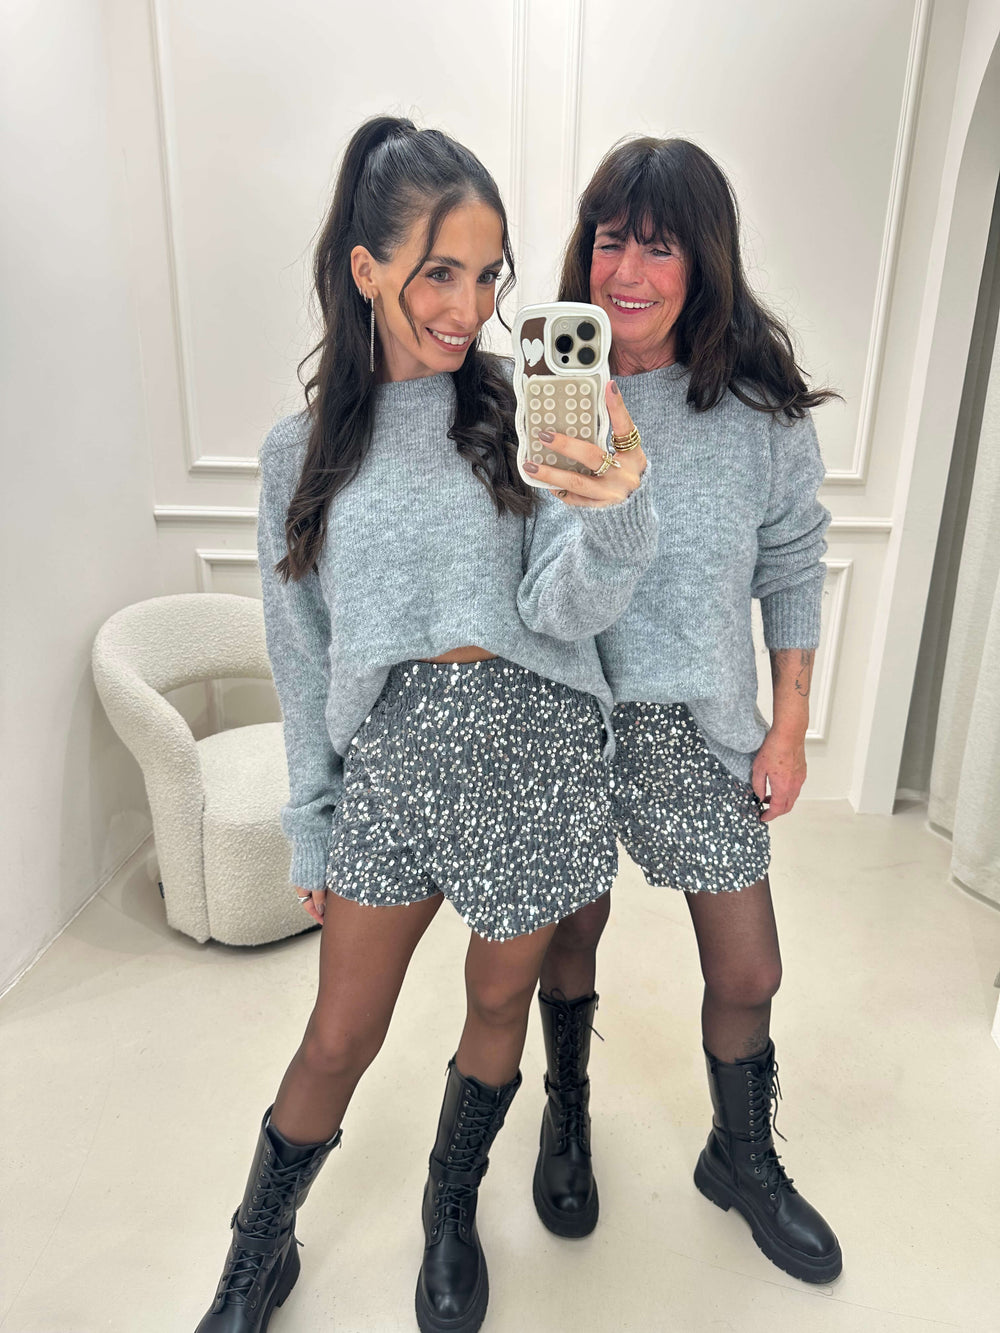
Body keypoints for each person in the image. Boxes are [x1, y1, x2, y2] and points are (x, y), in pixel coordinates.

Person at [194, 116, 656, 1333]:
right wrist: (312, 817)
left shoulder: (523, 412)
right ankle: (256, 1253)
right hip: (393, 765)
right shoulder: (298, 456)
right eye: (439, 271)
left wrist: (614, 510)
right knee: (336, 1034)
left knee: (497, 1006)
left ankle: (449, 1210)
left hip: (536, 750)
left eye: (489, 273)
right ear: (366, 268)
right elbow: (302, 655)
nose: (470, 306)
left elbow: (561, 606)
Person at [525, 136, 842, 1283]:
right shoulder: (546, 397)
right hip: (568, 716)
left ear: (703, 260)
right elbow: (523, 583)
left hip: (697, 722)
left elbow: (792, 561)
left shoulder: (758, 412)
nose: (627, 271)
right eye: (611, 240)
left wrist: (788, 723)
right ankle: (566, 1112)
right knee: (569, 935)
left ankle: (738, 1156)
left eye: (658, 247)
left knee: (748, 971)